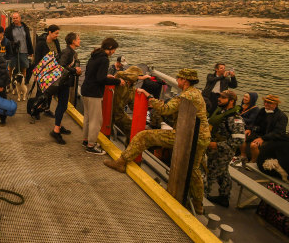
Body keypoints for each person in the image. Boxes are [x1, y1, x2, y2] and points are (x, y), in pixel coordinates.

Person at [104, 68, 211, 214]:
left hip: (186, 135)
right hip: (201, 137)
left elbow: (165, 110)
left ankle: (121, 162)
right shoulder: (196, 93)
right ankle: (198, 204)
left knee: (144, 136)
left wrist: (149, 97)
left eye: (179, 78)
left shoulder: (186, 96)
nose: (178, 80)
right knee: (194, 169)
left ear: (184, 80)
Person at [81, 38, 124, 154]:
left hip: (85, 90)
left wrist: (106, 76)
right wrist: (117, 81)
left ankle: (86, 140)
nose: (114, 52)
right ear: (109, 48)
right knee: (96, 120)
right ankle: (91, 146)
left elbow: (93, 74)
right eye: (114, 49)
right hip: (94, 93)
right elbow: (100, 79)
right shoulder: (104, 60)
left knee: (88, 118)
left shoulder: (94, 55)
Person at [204, 90, 245, 208]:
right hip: (213, 148)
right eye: (219, 97)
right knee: (223, 173)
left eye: (223, 97)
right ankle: (224, 196)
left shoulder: (235, 119)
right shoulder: (221, 112)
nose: (219, 99)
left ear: (231, 101)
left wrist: (217, 145)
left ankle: (201, 197)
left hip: (223, 151)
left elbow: (239, 140)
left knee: (210, 173)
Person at [50, 32, 81, 144]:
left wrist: (75, 71)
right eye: (78, 38)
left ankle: (59, 125)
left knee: (62, 106)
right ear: (72, 41)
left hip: (65, 82)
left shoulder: (70, 51)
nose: (79, 40)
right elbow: (61, 66)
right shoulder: (68, 52)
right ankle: (56, 130)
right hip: (62, 83)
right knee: (62, 106)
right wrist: (74, 70)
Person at [242, 94, 287, 163]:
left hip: (271, 138)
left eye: (269, 103)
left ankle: (253, 161)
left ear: (275, 104)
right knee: (241, 137)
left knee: (254, 145)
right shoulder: (262, 110)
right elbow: (255, 122)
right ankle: (243, 156)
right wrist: (249, 129)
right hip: (259, 134)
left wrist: (263, 138)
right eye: (265, 102)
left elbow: (278, 133)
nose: (266, 104)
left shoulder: (282, 116)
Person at [111, 66, 143, 140]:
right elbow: (119, 73)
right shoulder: (119, 80)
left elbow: (132, 106)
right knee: (106, 129)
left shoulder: (132, 90)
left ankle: (128, 148)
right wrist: (138, 76)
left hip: (119, 114)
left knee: (132, 128)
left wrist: (145, 107)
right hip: (109, 110)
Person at [4, 12, 34, 81]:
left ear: (20, 18)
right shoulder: (9, 29)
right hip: (13, 52)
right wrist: (12, 44)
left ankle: (22, 82)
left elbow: (28, 39)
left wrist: (31, 51)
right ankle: (8, 83)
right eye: (13, 18)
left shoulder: (25, 27)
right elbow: (6, 40)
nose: (15, 19)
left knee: (24, 68)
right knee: (10, 68)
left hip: (24, 51)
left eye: (16, 18)